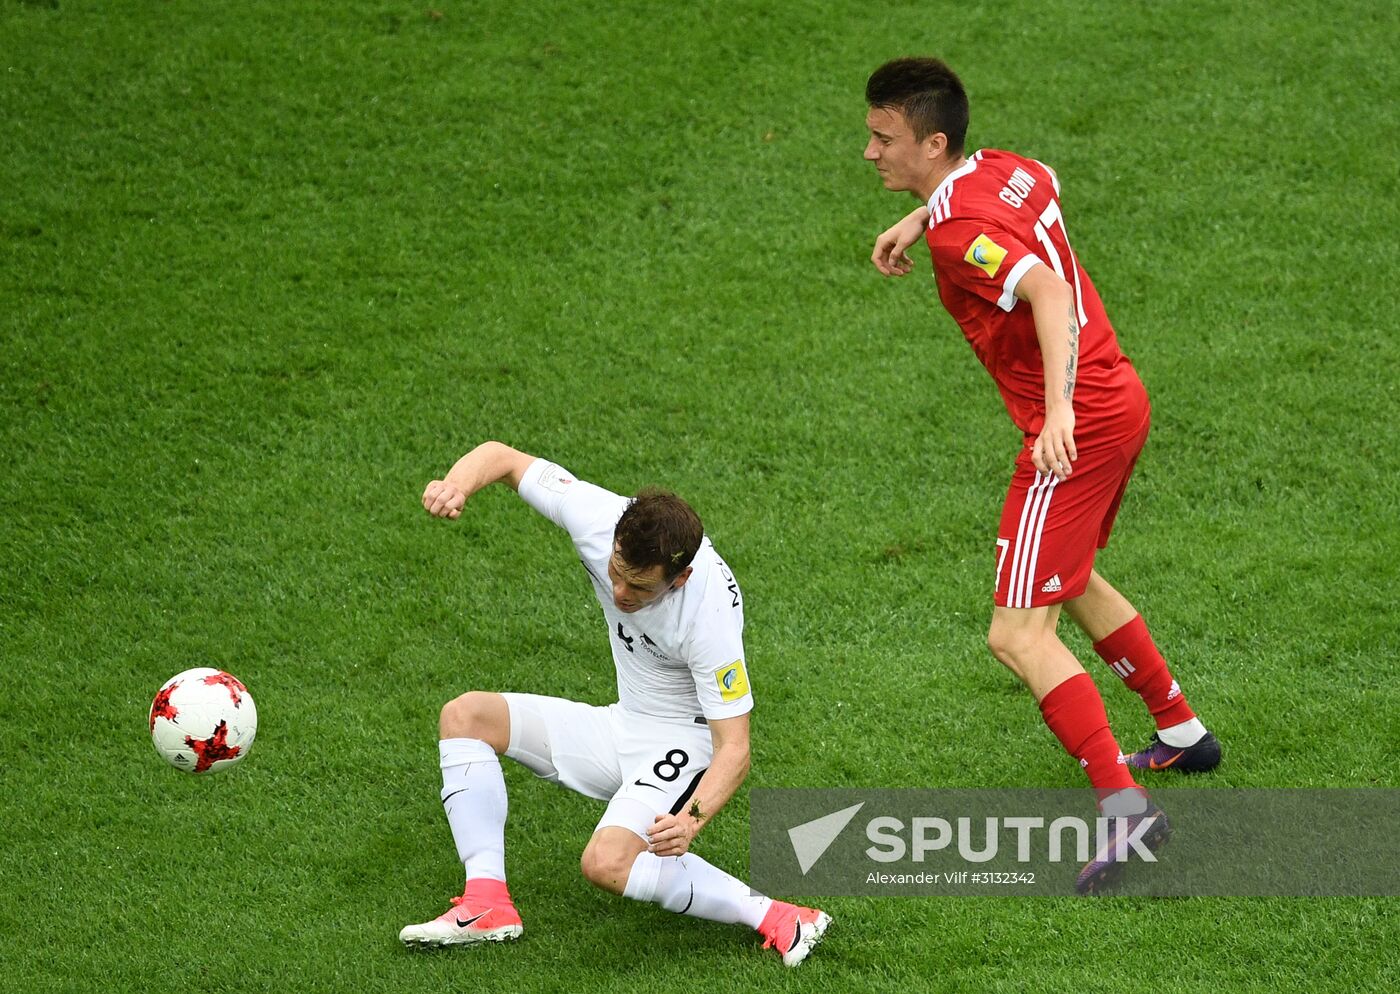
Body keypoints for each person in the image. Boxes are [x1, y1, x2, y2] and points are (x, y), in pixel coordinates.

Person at [862, 57, 1221, 893]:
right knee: (1074, 576)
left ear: (933, 140)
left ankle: (1126, 812)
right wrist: (924, 216)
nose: (871, 153)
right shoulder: (1006, 169)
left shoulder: (961, 232)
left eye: (885, 139)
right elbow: (1032, 197)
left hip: (1078, 423)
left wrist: (1057, 413)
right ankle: (1181, 729)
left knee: (1017, 633)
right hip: (1120, 394)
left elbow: (1049, 292)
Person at [398, 440, 831, 965]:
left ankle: (780, 916)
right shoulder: (602, 518)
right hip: (622, 724)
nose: (620, 592)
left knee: (605, 864)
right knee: (465, 717)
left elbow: (735, 747)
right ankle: (487, 902)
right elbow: (504, 458)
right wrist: (456, 484)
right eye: (616, 572)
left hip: (682, 746)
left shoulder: (709, 616)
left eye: (641, 588)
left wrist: (692, 818)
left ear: (681, 577)